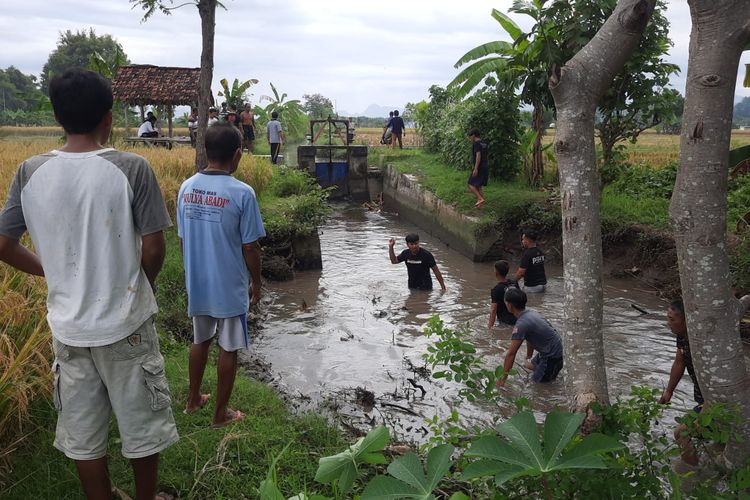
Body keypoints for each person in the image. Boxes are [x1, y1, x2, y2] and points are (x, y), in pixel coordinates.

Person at [0, 68, 178, 500]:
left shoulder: (29, 172)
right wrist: (141, 285)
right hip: (127, 326)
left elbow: (4, 244)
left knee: (81, 426)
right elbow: (154, 249)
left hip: (68, 329)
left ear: (58, 117)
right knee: (143, 424)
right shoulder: (132, 168)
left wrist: (56, 272)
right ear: (109, 116)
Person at [177, 123, 265, 429]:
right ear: (238, 154)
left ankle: (192, 401)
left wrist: (192, 271)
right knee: (229, 347)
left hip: (198, 281)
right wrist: (257, 282)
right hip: (229, 284)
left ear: (205, 151)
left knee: (200, 340)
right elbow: (251, 246)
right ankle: (219, 414)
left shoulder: (186, 188)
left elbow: (183, 239)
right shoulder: (242, 193)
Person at [659, 299, 703, 467]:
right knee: (721, 441)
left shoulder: (701, 342)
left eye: (672, 320)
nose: (668, 323)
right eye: (667, 318)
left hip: (715, 400)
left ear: (687, 320)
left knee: (682, 433)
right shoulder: (683, 337)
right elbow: (680, 362)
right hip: (704, 400)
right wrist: (669, 391)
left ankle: (693, 476)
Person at [496, 288, 563, 387]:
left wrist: (502, 380)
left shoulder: (521, 324)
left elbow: (511, 354)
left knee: (537, 386)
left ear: (510, 305)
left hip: (553, 356)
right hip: (555, 349)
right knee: (529, 366)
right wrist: (528, 356)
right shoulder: (531, 313)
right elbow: (530, 338)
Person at [488, 260, 519, 328]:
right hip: (518, 319)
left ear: (496, 272)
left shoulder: (496, 289)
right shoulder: (514, 283)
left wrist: (489, 328)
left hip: (505, 322)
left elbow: (493, 310)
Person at [467, 128, 488, 208]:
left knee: (470, 184)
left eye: (470, 136)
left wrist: (475, 168)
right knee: (478, 186)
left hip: (479, 167)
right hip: (485, 166)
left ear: (473, 135)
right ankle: (480, 205)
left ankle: (480, 198)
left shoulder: (476, 143)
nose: (470, 138)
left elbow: (478, 156)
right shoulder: (484, 143)